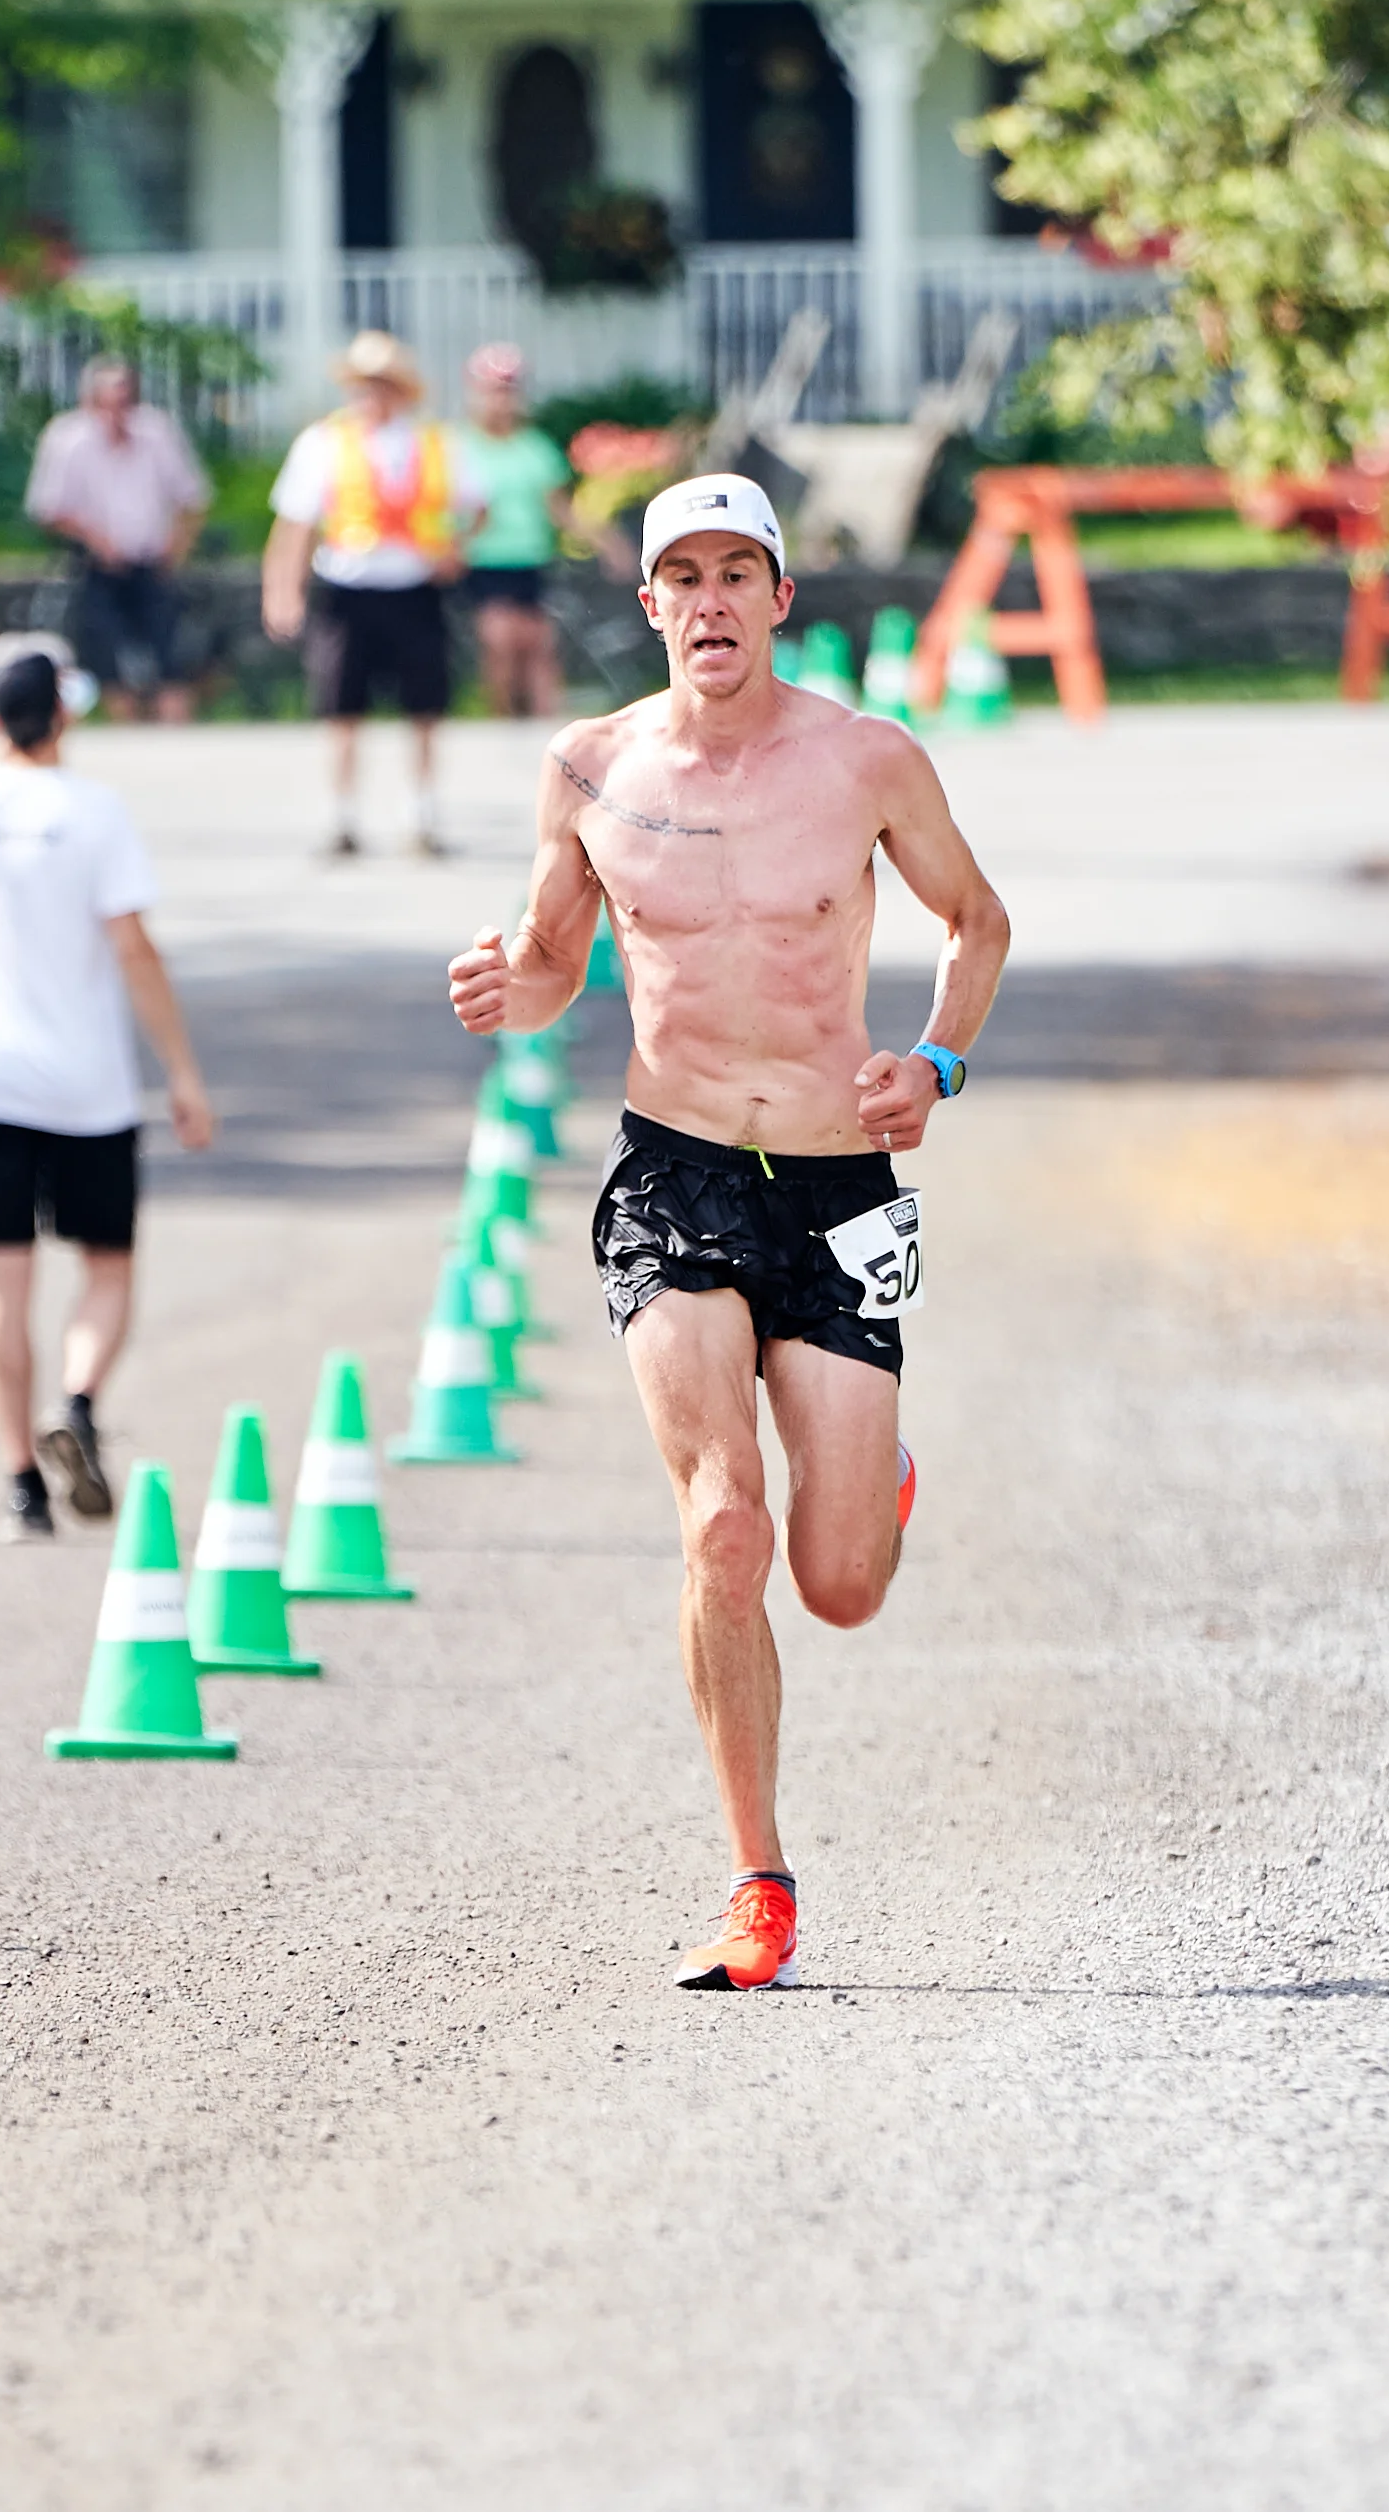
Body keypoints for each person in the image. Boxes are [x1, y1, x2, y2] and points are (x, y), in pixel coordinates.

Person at [449, 474, 1010, 1990]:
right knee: (721, 1522)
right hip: (674, 1172)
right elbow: (558, 961)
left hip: (836, 1191)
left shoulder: (868, 759)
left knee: (837, 1582)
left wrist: (937, 1062)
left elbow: (979, 922)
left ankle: (873, 1479)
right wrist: (520, 990)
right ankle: (759, 1878)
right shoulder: (590, 767)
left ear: (778, 599)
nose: (707, 601)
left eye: (734, 574)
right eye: (678, 577)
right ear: (649, 607)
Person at [0, 640, 214, 1544]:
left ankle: (20, 1489)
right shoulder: (94, 812)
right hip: (89, 1087)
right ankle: (79, 1406)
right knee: (107, 1268)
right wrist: (181, 1071)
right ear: (66, 714)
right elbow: (133, 948)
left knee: (3, 1287)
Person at [261, 329, 486, 858]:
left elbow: (479, 505)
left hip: (414, 587)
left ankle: (422, 815)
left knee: (425, 706)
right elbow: (295, 525)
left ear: (402, 390)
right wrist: (282, 591)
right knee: (341, 707)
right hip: (347, 587)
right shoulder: (322, 443)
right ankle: (342, 817)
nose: (372, 395)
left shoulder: (436, 442)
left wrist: (454, 549)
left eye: (383, 384)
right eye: (364, 384)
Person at [25, 357, 212, 723]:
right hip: (97, 567)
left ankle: (175, 742)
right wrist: (93, 537)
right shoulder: (67, 439)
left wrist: (176, 549)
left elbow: (193, 497)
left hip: (153, 563)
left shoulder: (157, 433)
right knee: (108, 665)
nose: (117, 415)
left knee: (172, 661)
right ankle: (128, 734)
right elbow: (48, 509)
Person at [457, 342, 625, 717]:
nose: (501, 401)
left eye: (507, 392)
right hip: (482, 561)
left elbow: (560, 510)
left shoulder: (535, 449)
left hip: (529, 560)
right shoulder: (458, 448)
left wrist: (609, 544)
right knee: (501, 641)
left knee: (540, 645)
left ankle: (544, 736)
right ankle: (503, 727)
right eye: (493, 392)